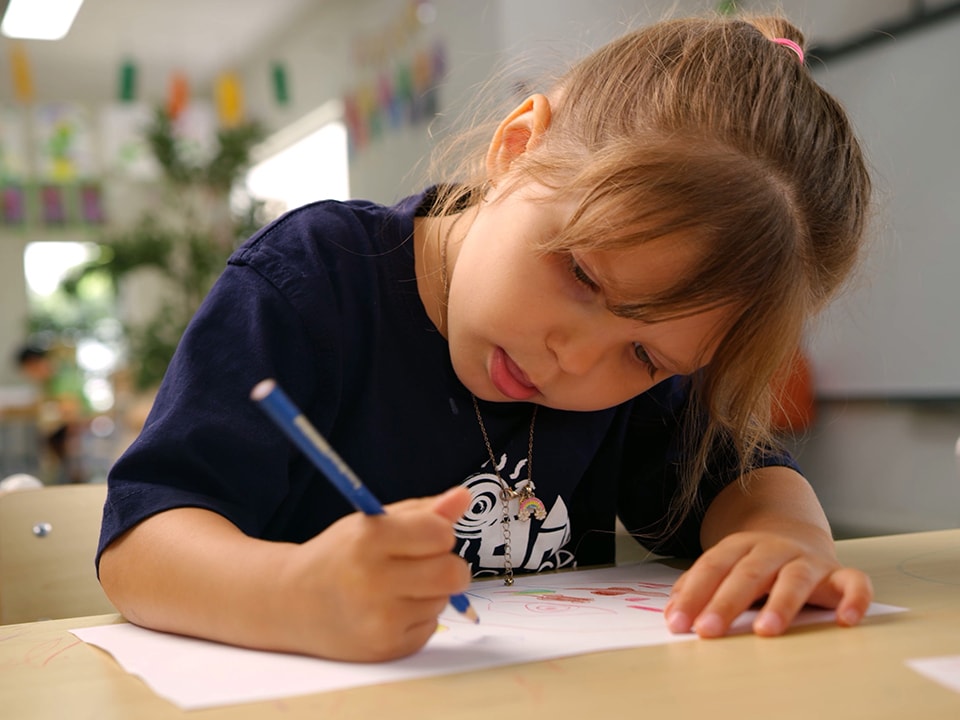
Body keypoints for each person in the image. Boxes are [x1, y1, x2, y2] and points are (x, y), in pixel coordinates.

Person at [97, 13, 875, 662]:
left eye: (646, 357)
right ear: (516, 149)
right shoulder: (310, 285)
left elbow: (748, 478)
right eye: (581, 276)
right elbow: (141, 547)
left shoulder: (640, 370)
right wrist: (296, 595)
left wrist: (788, 536)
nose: (577, 356)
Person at [15, 344, 91, 483]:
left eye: (30, 370)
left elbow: (71, 411)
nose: (32, 375)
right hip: (62, 432)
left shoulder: (64, 376)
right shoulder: (48, 382)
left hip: (79, 430)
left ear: (35, 363)